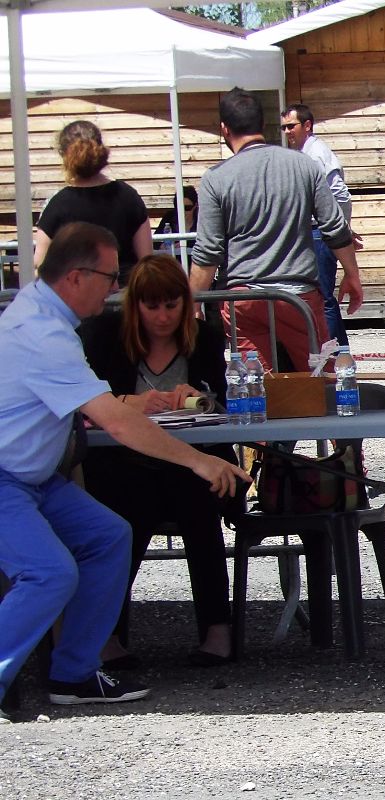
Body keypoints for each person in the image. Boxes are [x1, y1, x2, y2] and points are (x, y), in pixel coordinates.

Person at [0, 223, 249, 722]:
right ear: (76, 277)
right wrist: (201, 460)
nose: (117, 289)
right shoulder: (44, 335)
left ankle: (73, 673)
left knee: (110, 536)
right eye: (110, 277)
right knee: (49, 574)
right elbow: (117, 422)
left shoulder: (40, 312)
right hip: (8, 478)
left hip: (32, 477)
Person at [80, 254, 238, 668]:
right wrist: (131, 402)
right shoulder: (104, 335)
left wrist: (199, 397)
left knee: (200, 508)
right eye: (153, 306)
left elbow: (222, 401)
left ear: (185, 306)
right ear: (136, 306)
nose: (163, 316)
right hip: (124, 463)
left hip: (193, 462)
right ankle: (109, 637)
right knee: (123, 519)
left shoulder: (204, 336)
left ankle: (217, 631)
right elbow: (83, 404)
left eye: (172, 305)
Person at [190, 88, 361, 372]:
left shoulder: (215, 179)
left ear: (224, 129)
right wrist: (352, 274)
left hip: (243, 298)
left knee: (256, 390)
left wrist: (193, 299)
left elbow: (208, 251)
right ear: (264, 125)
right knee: (320, 382)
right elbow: (334, 226)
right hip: (297, 295)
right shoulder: (304, 166)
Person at [34, 120, 153, 287]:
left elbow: (41, 267)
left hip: (76, 302)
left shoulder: (56, 205)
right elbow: (146, 261)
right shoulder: (128, 196)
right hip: (124, 298)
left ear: (64, 156)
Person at [281, 103, 360, 347]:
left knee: (324, 298)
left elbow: (340, 192)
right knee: (319, 297)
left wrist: (340, 228)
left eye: (291, 126)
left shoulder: (315, 153)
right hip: (315, 231)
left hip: (320, 233)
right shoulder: (306, 152)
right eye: (283, 127)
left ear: (307, 125)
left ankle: (337, 356)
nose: (286, 132)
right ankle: (336, 354)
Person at [155, 186, 199, 264]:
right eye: (179, 208)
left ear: (195, 206)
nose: (183, 211)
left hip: (195, 263)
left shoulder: (200, 219)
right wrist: (161, 245)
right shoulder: (169, 217)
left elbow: (206, 242)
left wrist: (185, 244)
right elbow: (155, 240)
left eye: (187, 208)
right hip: (172, 265)